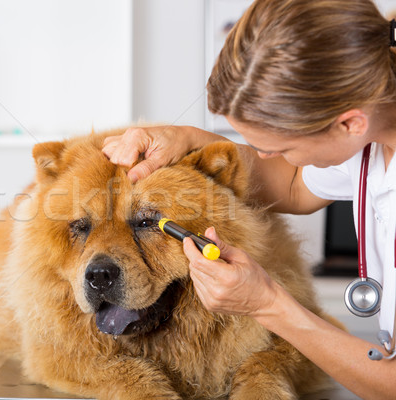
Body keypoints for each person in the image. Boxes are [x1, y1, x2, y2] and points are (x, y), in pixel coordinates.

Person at [102, 0, 396, 398]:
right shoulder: (371, 132)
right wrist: (187, 139)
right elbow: (293, 184)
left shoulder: (364, 127)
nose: (263, 157)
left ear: (349, 123)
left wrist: (267, 305)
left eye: (280, 147)